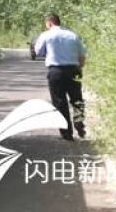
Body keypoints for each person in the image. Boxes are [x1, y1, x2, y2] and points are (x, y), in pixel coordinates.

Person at [31, 12, 87, 140]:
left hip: (56, 71)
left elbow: (39, 52)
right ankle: (80, 125)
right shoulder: (73, 35)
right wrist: (79, 68)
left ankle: (66, 133)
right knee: (77, 100)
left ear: (49, 23)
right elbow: (82, 56)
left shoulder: (46, 35)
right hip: (74, 70)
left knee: (60, 102)